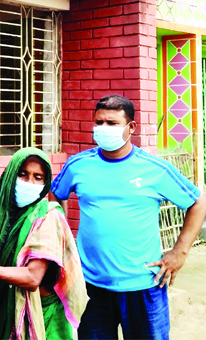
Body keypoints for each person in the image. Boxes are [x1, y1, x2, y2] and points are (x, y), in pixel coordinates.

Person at [52, 94, 206, 340]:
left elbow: (198, 202)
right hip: (91, 285)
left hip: (145, 285)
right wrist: (63, 240)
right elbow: (56, 196)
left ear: (130, 127)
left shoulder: (155, 169)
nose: (103, 129)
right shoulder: (78, 165)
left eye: (112, 123)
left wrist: (179, 253)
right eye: (99, 122)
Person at [0, 148, 88, 340]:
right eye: (23, 174)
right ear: (10, 175)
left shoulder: (47, 216)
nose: (29, 183)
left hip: (40, 317)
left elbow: (32, 277)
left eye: (38, 177)